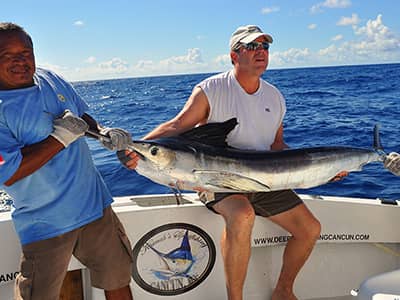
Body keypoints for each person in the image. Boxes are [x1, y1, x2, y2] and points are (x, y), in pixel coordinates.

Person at [0, 22, 134, 300]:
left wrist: (102, 133)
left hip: (95, 206)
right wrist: (59, 138)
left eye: (25, 52)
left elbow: (80, 116)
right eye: (7, 55)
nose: (20, 61)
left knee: (118, 280)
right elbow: (9, 173)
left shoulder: (51, 78)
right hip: (45, 222)